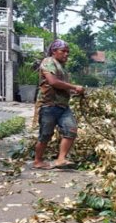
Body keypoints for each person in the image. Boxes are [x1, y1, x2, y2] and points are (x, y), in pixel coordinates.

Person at [33, 39, 85, 169]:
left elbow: (63, 87)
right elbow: (53, 82)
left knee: (71, 129)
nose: (66, 54)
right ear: (54, 51)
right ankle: (38, 161)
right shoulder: (48, 62)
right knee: (45, 134)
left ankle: (61, 159)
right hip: (48, 105)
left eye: (68, 52)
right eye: (63, 51)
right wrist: (74, 87)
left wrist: (74, 92)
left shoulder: (63, 69)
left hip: (63, 106)